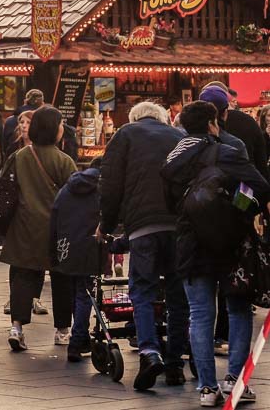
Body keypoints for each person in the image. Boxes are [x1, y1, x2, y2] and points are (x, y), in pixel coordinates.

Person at [163, 100, 270, 407]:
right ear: (213, 123)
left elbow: (171, 205)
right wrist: (240, 205)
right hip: (231, 241)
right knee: (237, 310)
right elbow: (261, 187)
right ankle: (235, 380)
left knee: (199, 314)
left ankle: (207, 389)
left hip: (190, 242)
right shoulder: (226, 151)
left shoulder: (172, 160)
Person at [98, 99, 188, 391]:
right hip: (178, 224)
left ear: (134, 118)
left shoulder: (125, 134)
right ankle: (175, 364)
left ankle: (149, 352)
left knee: (143, 290)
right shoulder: (179, 136)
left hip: (142, 225)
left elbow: (110, 184)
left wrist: (107, 225)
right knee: (177, 295)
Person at [0, 106, 77, 352]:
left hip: (24, 226)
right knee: (62, 279)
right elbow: (75, 195)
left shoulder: (20, 156)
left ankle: (17, 328)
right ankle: (63, 330)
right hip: (58, 228)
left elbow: (5, 188)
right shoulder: (64, 160)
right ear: (54, 130)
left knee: (22, 276)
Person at [49, 165, 103, 364]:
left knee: (73, 291)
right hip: (90, 247)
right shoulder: (100, 190)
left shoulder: (65, 189)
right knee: (84, 294)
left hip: (65, 246)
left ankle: (80, 337)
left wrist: (52, 253)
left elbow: (53, 220)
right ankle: (78, 340)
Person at [202, 82, 269, 178]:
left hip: (208, 187)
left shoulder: (196, 129)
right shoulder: (248, 122)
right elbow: (261, 161)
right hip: (245, 185)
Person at [4, 89, 46, 157]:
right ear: (42, 103)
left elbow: (4, 146)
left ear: (25, 101)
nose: (24, 126)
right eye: (22, 122)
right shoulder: (45, 121)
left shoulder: (10, 121)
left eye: (29, 122)